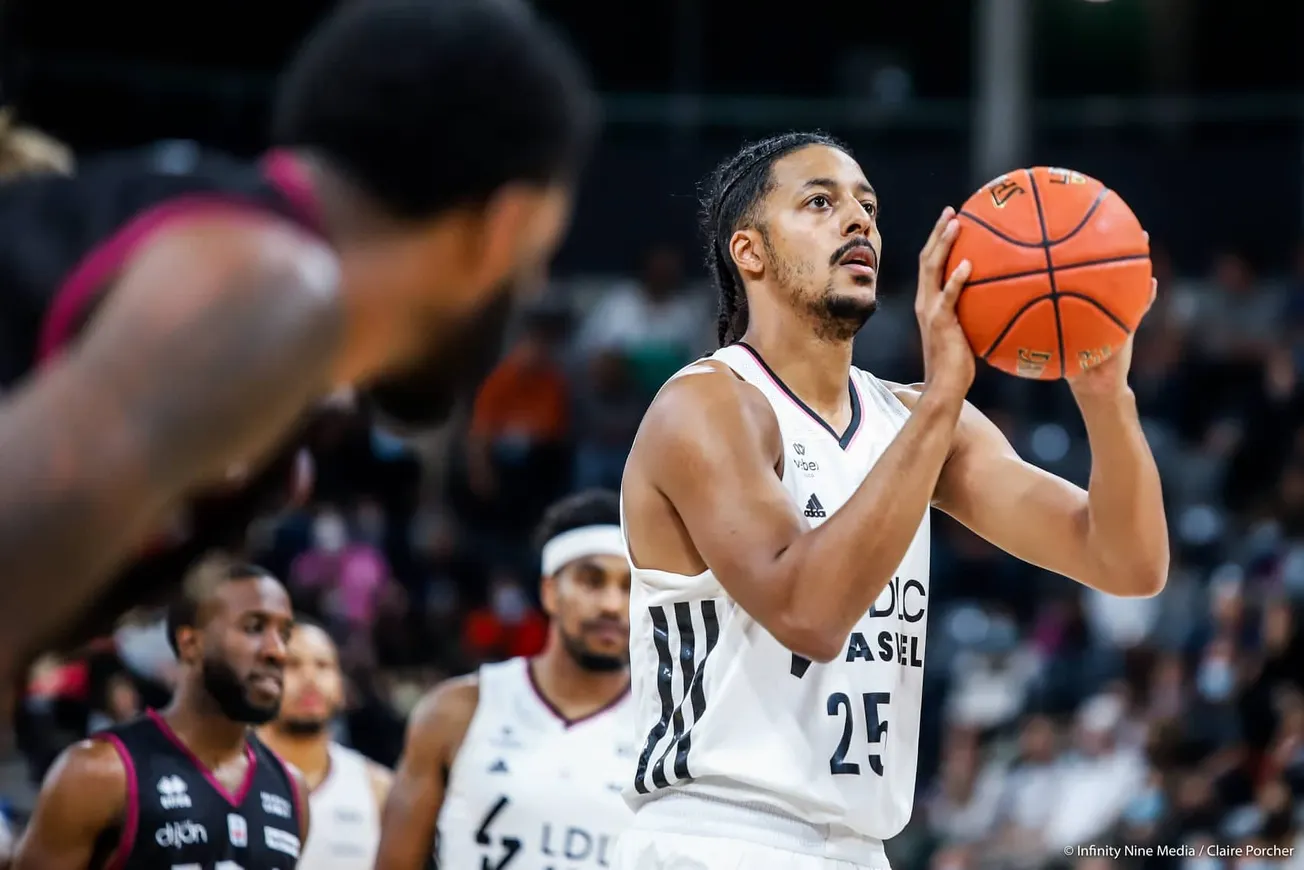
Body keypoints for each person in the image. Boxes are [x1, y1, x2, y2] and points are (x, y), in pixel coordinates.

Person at [615, 132, 1170, 869]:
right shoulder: (708, 406)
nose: (859, 221)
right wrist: (943, 395)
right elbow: (808, 616)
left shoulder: (913, 421)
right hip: (718, 833)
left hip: (858, 846)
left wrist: (1105, 397)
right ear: (749, 252)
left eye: (868, 207)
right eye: (820, 202)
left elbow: (1128, 563)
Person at [0, 0, 595, 670]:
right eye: (541, 254)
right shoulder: (266, 289)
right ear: (505, 226)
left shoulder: (235, 270)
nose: (535, 284)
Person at [375, 490, 634, 870]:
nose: (612, 604)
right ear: (550, 592)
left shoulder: (670, 730)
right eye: (591, 582)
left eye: (630, 586)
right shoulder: (457, 711)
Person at [13, 557, 311, 869]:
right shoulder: (100, 771)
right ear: (190, 643)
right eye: (254, 628)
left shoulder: (292, 790)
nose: (278, 651)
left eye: (285, 634)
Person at [258, 621, 392, 870]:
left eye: (323, 665)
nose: (310, 678)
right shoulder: (228, 776)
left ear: (342, 687)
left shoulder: (378, 788)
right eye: (292, 664)